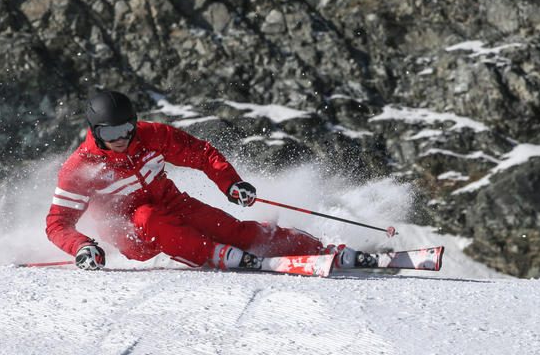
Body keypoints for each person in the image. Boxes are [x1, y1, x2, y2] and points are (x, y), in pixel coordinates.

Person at [46, 91, 370, 271]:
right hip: (131, 232)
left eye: (125, 129)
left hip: (172, 202)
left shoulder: (150, 136)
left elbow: (201, 154)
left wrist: (231, 184)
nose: (120, 139)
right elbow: (57, 223)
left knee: (237, 231)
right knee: (149, 217)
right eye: (109, 133)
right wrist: (83, 246)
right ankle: (216, 254)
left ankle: (322, 250)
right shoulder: (81, 167)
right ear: (94, 131)